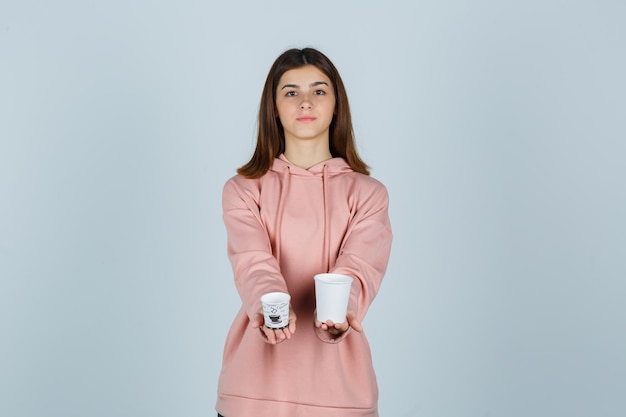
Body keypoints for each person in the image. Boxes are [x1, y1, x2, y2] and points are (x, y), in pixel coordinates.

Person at [216, 47, 393, 417]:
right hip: (253, 390)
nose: (305, 102)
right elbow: (252, 262)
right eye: (291, 92)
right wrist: (270, 308)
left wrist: (339, 313)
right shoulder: (244, 189)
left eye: (319, 90)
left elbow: (358, 270)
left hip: (341, 392)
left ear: (335, 105)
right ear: (274, 108)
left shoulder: (369, 194)